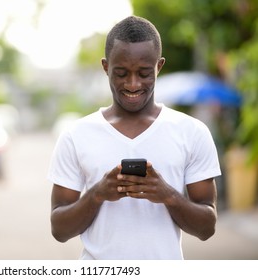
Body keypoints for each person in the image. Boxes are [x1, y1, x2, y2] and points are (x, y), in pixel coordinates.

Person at [47, 15, 221, 260]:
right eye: (121, 73)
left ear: (159, 66)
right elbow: (59, 229)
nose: (132, 84)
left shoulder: (191, 132)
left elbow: (207, 227)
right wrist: (97, 194)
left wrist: (167, 195)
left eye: (144, 73)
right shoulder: (76, 136)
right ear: (106, 67)